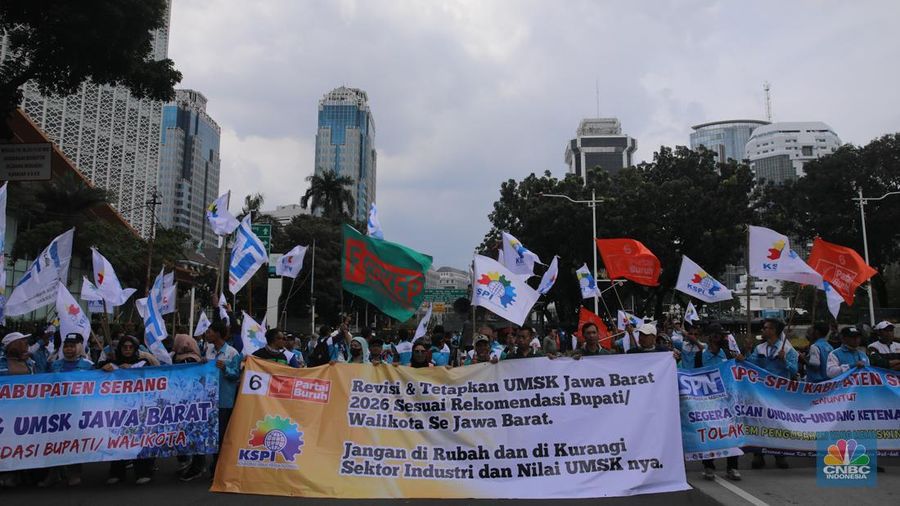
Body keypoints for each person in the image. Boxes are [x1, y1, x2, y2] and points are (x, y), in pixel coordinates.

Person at [681, 323, 741, 481]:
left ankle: (732, 467)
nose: (720, 338)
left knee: (731, 432)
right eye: (717, 335)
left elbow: (738, 371)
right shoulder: (700, 356)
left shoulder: (728, 355)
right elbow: (693, 376)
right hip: (707, 402)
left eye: (721, 335)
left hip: (727, 401)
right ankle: (708, 466)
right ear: (709, 337)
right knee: (707, 433)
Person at [100, 335, 155, 485]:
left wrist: (131, 370)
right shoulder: (112, 364)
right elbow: (95, 376)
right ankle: (117, 473)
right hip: (118, 410)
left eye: (131, 347)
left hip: (138, 409)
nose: (128, 350)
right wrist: (103, 369)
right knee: (118, 440)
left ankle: (143, 472)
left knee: (139, 440)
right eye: (125, 347)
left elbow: (153, 378)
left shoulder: (143, 364)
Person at [41, 335, 94, 487]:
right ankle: (54, 473)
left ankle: (74, 472)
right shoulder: (55, 365)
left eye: (72, 346)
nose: (69, 349)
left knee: (74, 442)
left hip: (77, 410)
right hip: (56, 410)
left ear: (79, 347)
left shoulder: (88, 365)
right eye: (66, 346)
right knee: (53, 442)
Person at [747, 319, 796, 470]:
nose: (763, 330)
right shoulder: (759, 348)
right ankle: (758, 454)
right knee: (760, 422)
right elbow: (751, 365)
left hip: (780, 394)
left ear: (774, 331)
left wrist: (785, 361)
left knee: (778, 424)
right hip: (761, 392)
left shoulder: (788, 350)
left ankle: (780, 455)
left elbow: (794, 370)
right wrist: (747, 352)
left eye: (766, 328)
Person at [200, 319, 242, 482]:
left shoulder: (232, 353)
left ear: (218, 334)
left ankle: (218, 469)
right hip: (208, 400)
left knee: (222, 436)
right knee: (208, 434)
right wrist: (202, 363)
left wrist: (225, 368)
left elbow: (236, 375)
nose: (207, 334)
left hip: (224, 400)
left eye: (209, 332)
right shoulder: (208, 350)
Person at [0, 332, 37, 488]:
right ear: (11, 345)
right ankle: (7, 473)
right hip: (5, 413)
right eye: (22, 341)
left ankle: (25, 474)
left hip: (26, 411)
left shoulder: (31, 363)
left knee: (24, 443)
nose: (26, 344)